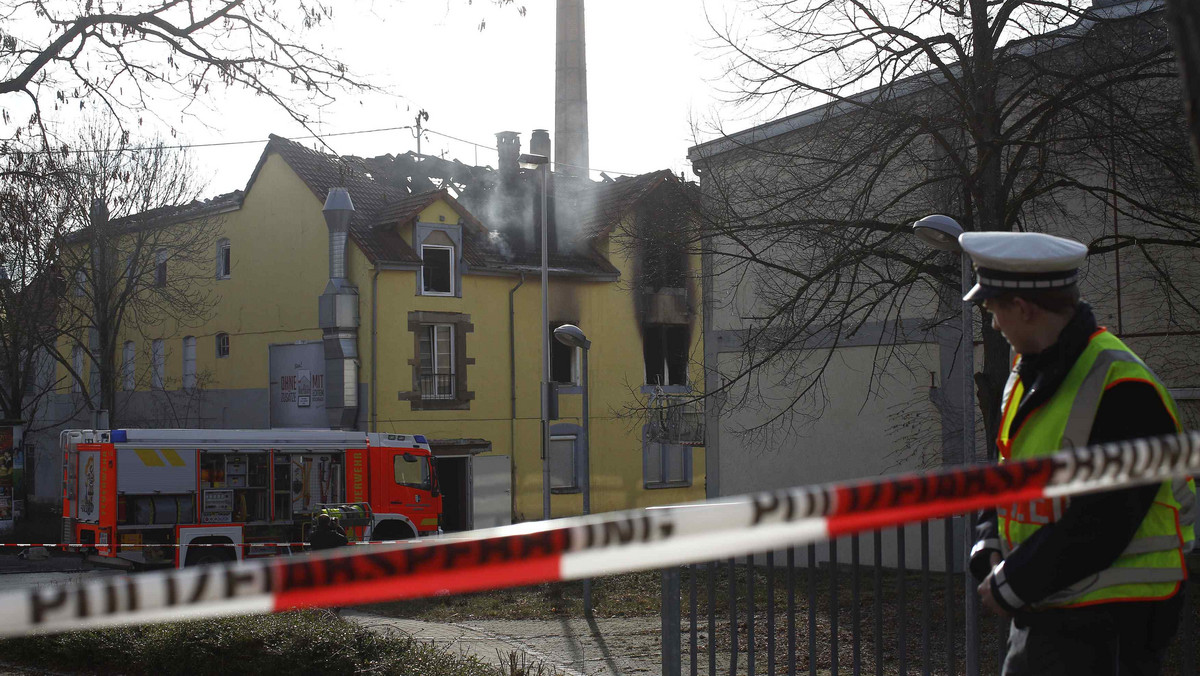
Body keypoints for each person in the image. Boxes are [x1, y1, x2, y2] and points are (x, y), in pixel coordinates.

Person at [962, 231, 1195, 676]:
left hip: (1112, 620)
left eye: (994, 310)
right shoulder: (1028, 372)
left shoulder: (1123, 385)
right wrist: (989, 544)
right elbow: (1009, 471)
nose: (993, 325)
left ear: (1024, 308)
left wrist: (1014, 581)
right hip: (1054, 607)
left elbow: (1106, 518)